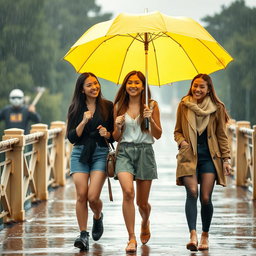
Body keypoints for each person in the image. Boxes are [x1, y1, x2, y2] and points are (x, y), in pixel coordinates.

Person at [174, 74, 232, 251]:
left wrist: (226, 159)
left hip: (209, 157)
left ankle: (205, 235)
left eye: (202, 87)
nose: (197, 90)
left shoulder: (217, 108)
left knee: (205, 198)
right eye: (195, 86)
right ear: (191, 86)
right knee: (192, 192)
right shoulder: (184, 105)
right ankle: (193, 234)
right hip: (188, 157)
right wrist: (182, 141)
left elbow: (222, 135)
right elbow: (177, 131)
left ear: (208, 90)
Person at [112, 70, 162, 253]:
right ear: (125, 85)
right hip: (124, 151)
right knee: (127, 193)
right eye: (130, 82)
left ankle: (145, 220)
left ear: (143, 86)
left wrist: (150, 119)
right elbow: (116, 137)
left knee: (142, 203)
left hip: (145, 152)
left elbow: (158, 134)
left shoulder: (152, 105)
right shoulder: (118, 106)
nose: (133, 86)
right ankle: (131, 237)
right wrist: (117, 126)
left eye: (137, 83)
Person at [66, 72, 114, 251]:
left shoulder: (107, 106)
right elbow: (71, 137)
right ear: (82, 89)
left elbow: (113, 135)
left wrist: (107, 134)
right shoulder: (75, 108)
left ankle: (98, 216)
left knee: (93, 196)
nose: (94, 87)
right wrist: (83, 122)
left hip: (100, 153)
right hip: (80, 153)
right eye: (89, 85)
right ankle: (83, 234)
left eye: (96, 84)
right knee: (81, 195)